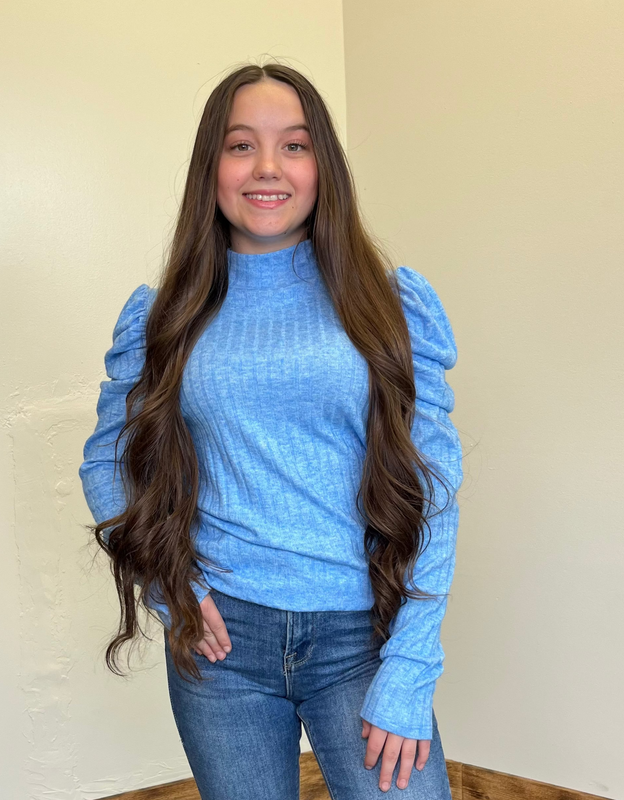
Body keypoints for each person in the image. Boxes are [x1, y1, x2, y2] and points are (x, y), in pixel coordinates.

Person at [79, 61, 463, 800]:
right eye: (240, 145)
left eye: (294, 145)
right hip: (222, 647)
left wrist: (412, 666)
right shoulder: (162, 317)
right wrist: (172, 591)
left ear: (323, 166)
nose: (267, 168)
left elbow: (434, 486)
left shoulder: (389, 306)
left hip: (361, 639)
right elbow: (107, 461)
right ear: (211, 167)